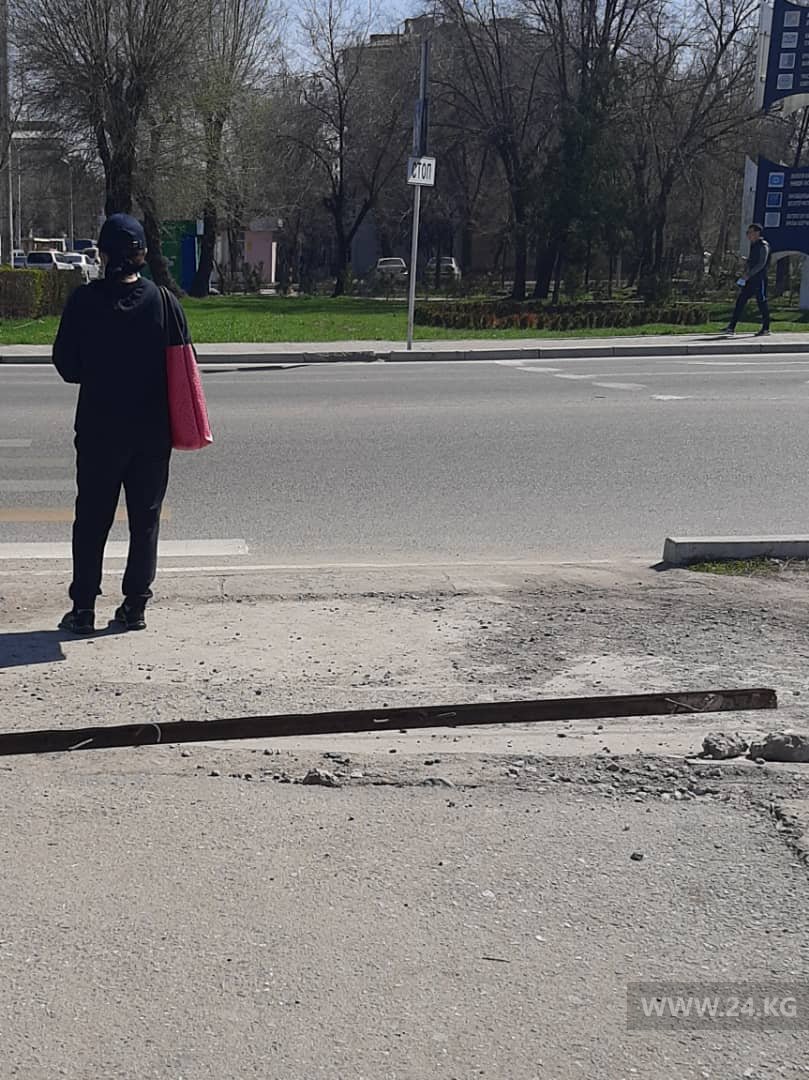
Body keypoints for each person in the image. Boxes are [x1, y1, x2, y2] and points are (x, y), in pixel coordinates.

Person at [52, 213, 189, 635]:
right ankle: (135, 606)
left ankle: (83, 608)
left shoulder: (84, 301)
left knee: (91, 519)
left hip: (99, 430)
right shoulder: (164, 302)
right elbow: (182, 367)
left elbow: (66, 365)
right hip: (152, 433)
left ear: (103, 254)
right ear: (142, 255)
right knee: (145, 520)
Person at [722, 224, 771, 337]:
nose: (748, 235)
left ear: (757, 233)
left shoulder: (763, 246)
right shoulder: (753, 245)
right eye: (747, 232)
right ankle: (731, 327)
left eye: (750, 232)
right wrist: (746, 261)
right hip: (750, 280)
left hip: (759, 279)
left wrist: (749, 274)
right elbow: (754, 261)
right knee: (740, 301)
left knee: (762, 303)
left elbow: (761, 264)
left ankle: (766, 328)